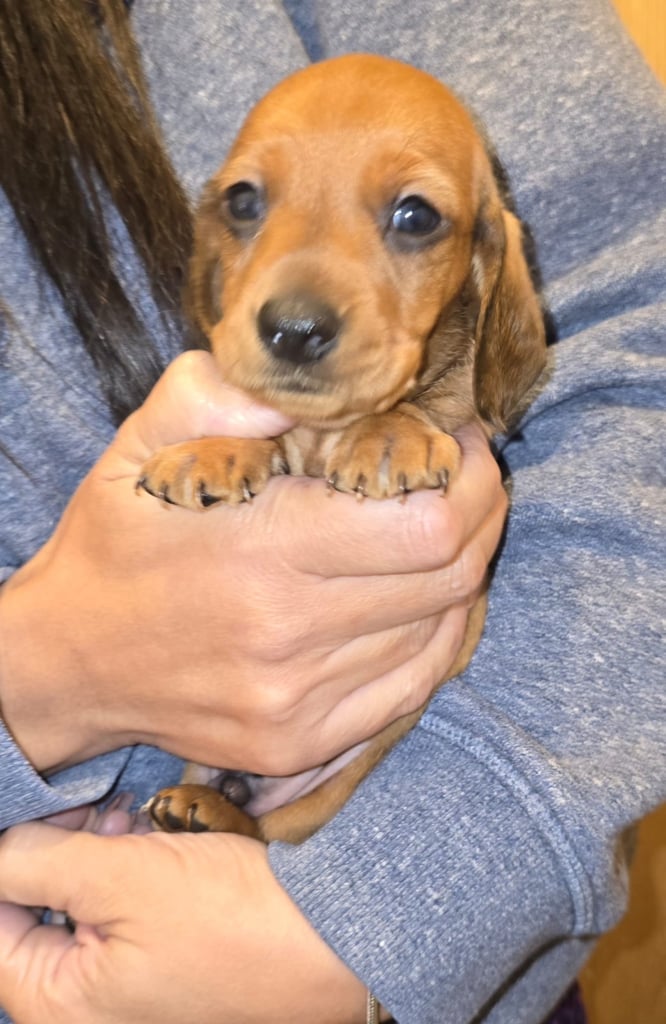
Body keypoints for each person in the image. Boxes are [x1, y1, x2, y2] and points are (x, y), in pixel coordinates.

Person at [0, 1, 663, 1022]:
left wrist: (374, 921)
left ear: (487, 265)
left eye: (412, 219)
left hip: (440, 954)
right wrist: (44, 679)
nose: (302, 299)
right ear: (213, 260)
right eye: (249, 204)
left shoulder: (458, 380)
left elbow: (640, 334)